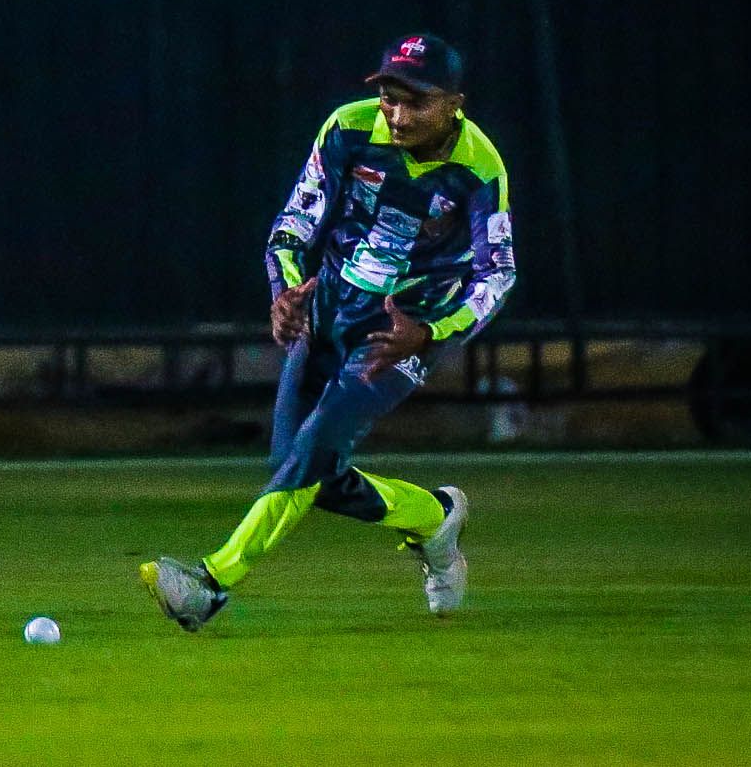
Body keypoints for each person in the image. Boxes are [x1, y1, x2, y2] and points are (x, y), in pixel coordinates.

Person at [140, 34, 515, 631]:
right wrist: (285, 291)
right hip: (328, 311)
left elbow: (497, 274)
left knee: (310, 453)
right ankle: (434, 515)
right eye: (390, 98)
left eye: (417, 103)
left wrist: (431, 332)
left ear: (454, 104)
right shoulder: (347, 128)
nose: (398, 115)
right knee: (299, 466)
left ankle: (211, 584)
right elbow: (295, 222)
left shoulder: (479, 167)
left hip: (398, 333)